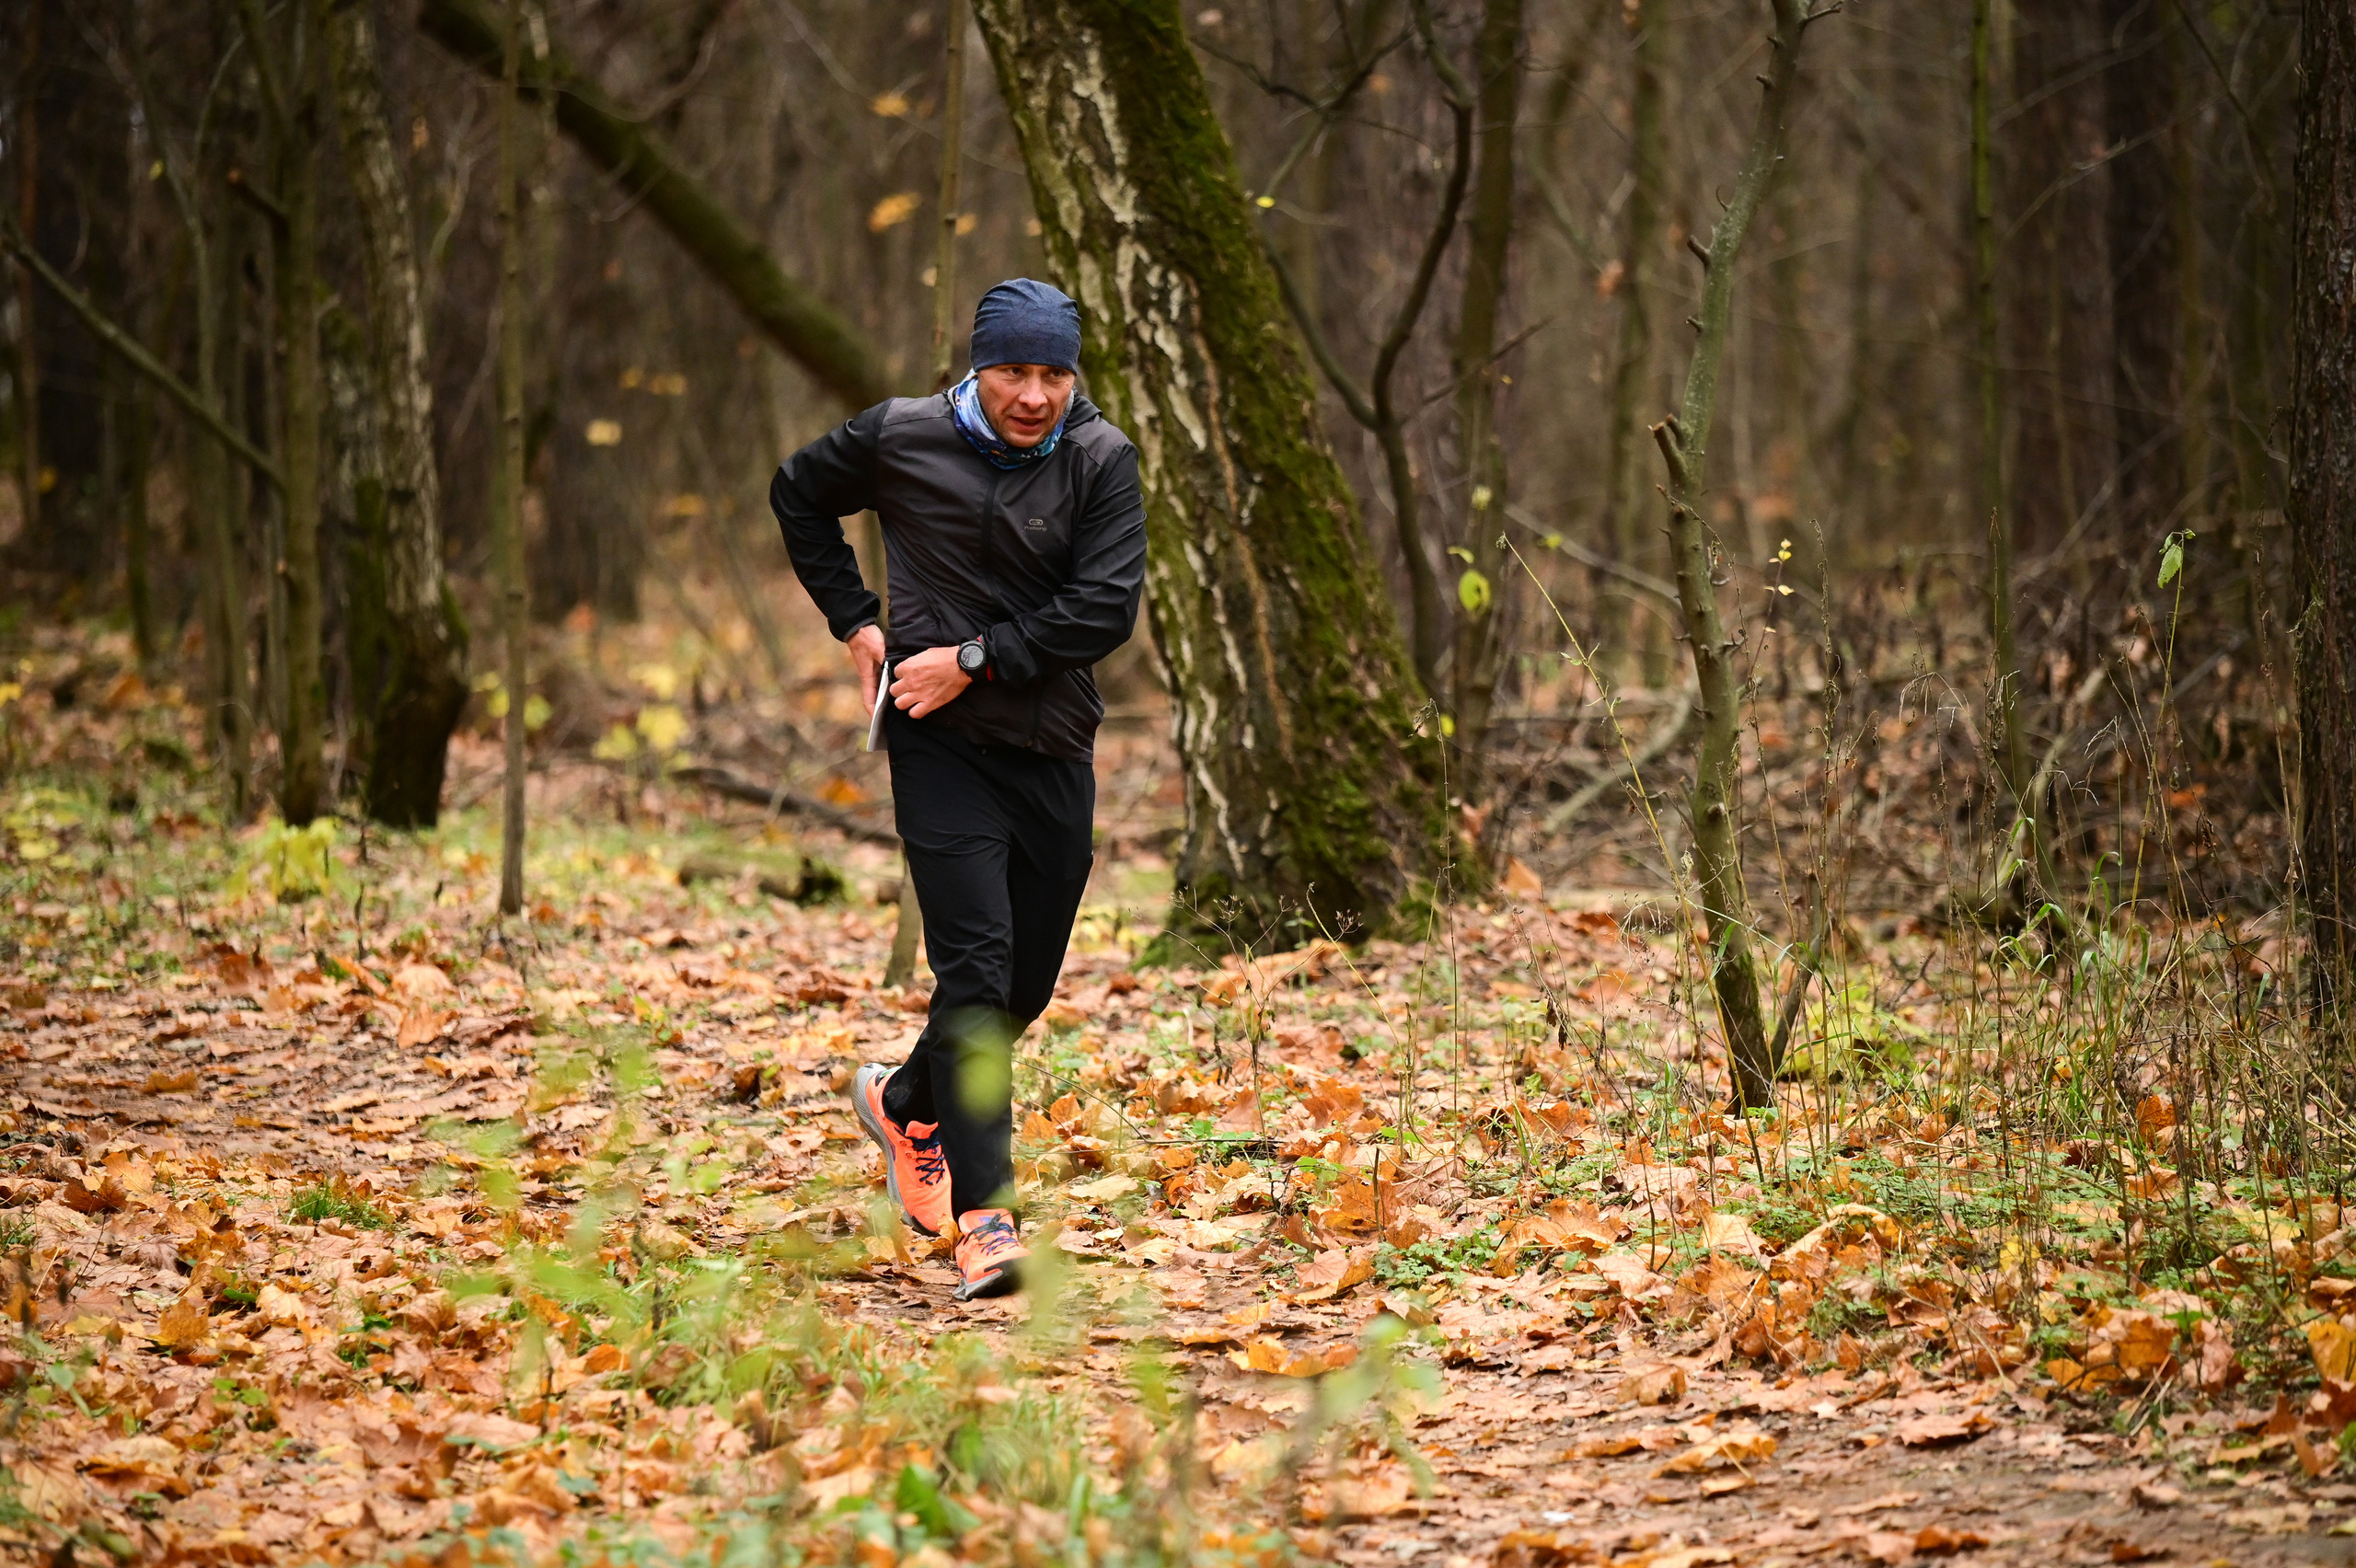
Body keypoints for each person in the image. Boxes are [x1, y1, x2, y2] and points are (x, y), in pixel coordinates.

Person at [769, 278, 1148, 1300]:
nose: (1034, 395)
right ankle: (988, 1220)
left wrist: (972, 657)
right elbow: (798, 494)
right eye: (1014, 372)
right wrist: (855, 618)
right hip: (937, 745)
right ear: (977, 369)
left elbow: (1104, 609)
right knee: (976, 970)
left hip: (1052, 743)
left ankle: (904, 1102)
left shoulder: (1100, 461)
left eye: (1052, 374)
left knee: (1021, 987)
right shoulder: (900, 435)